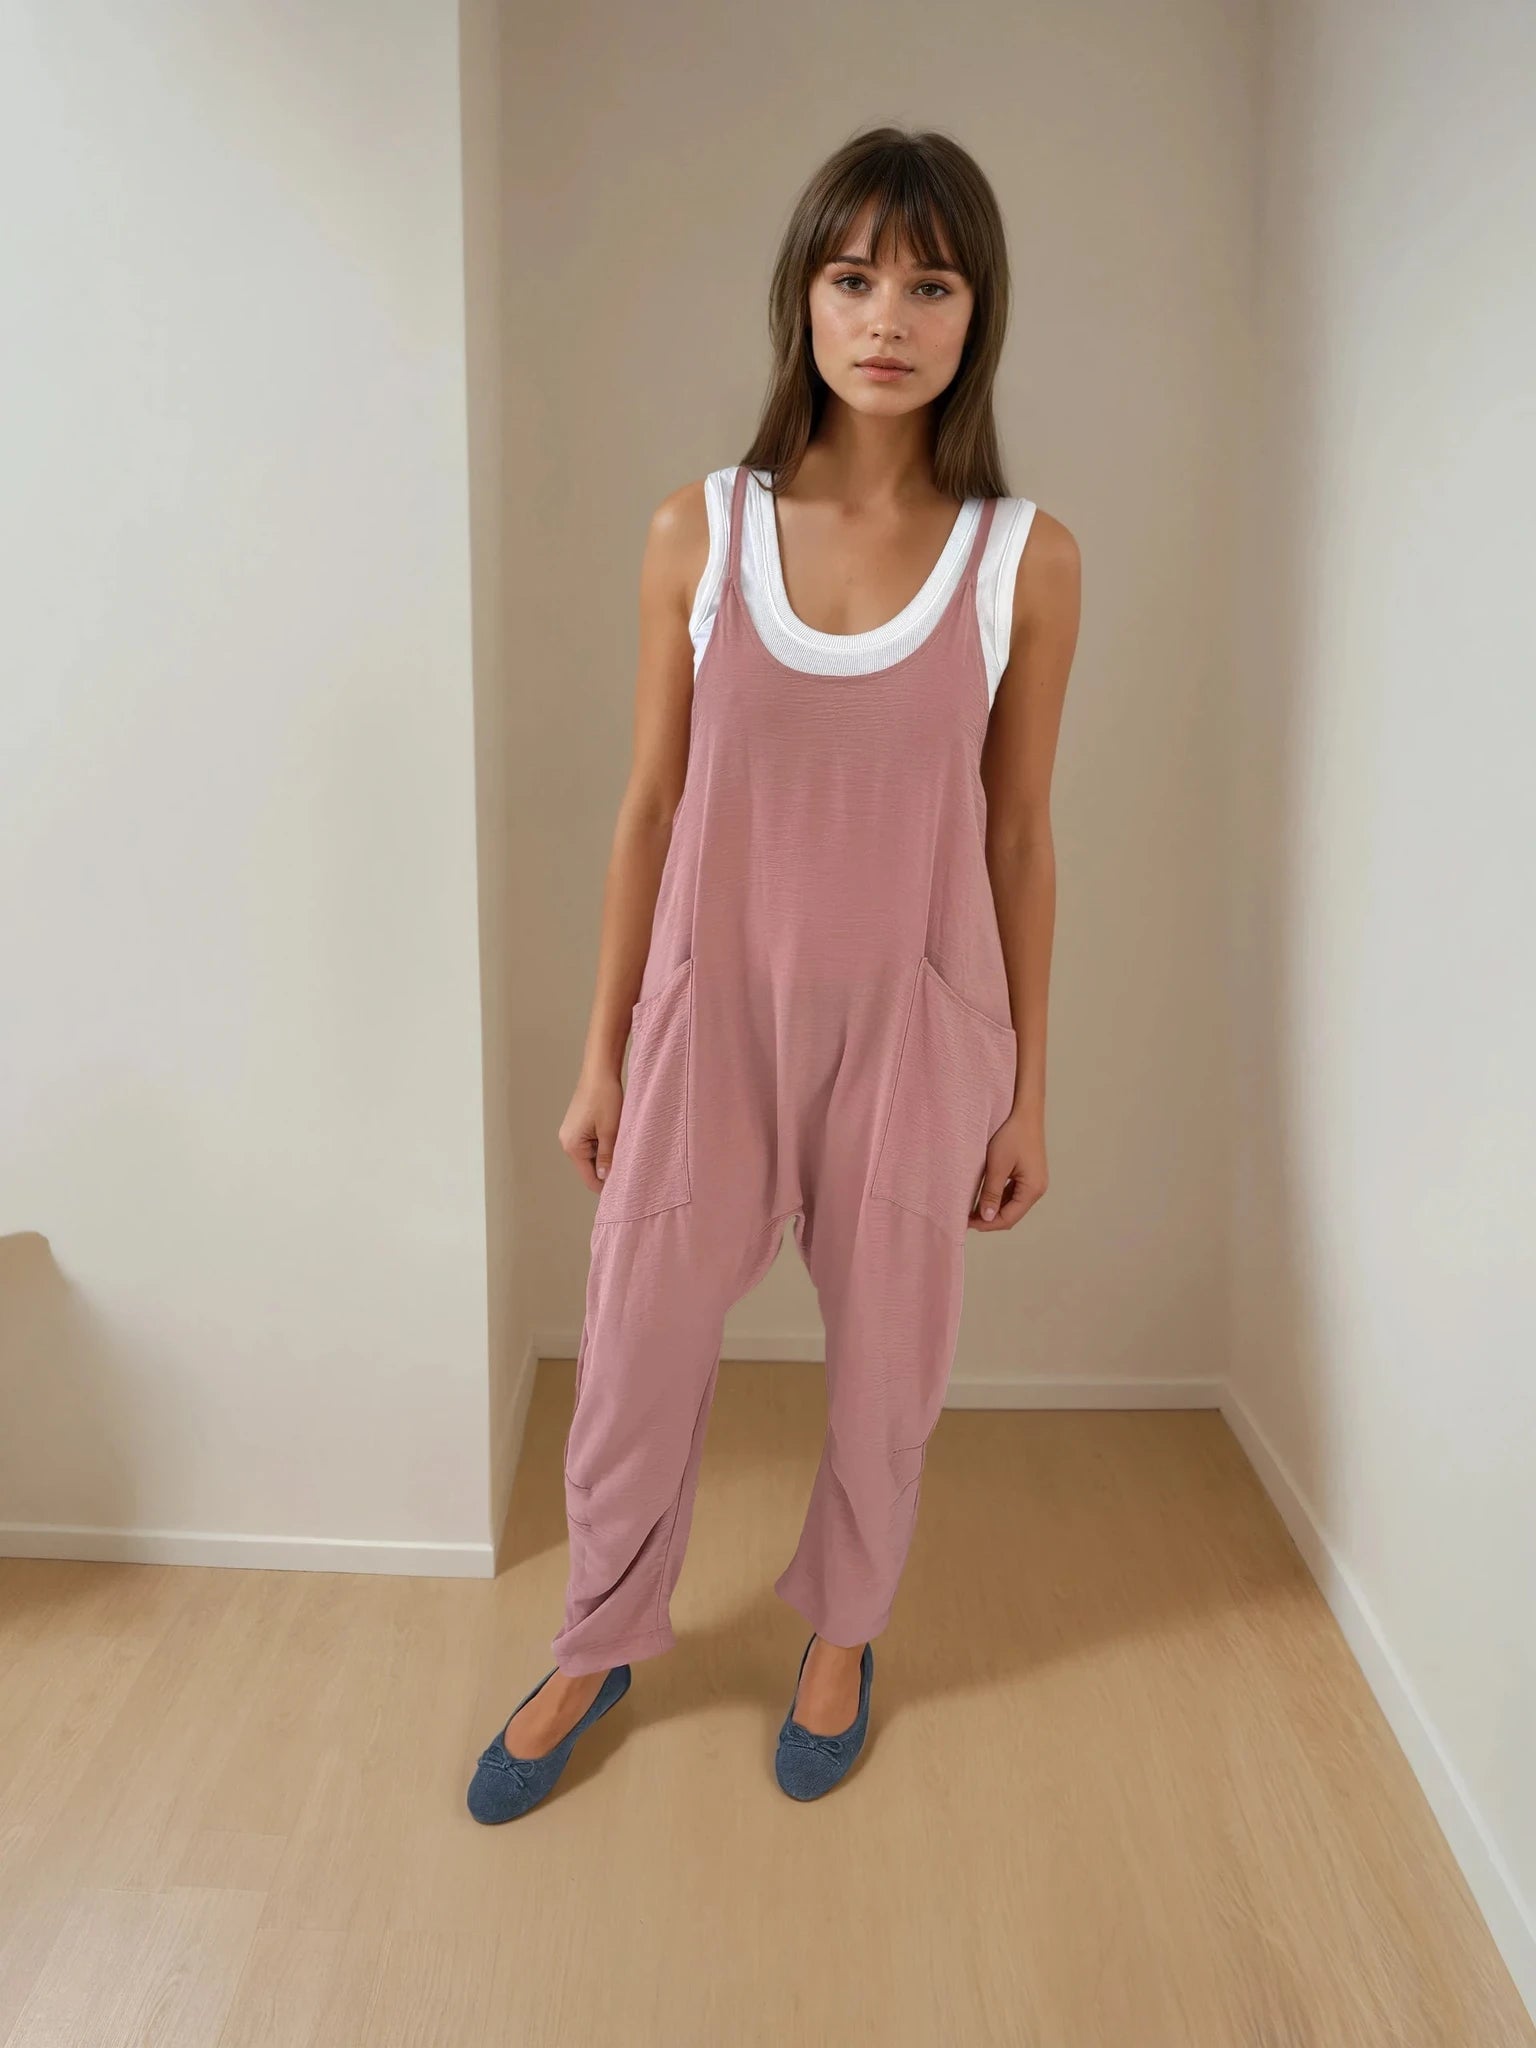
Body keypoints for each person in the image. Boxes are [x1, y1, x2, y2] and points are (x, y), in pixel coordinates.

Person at [468, 124, 1080, 1823]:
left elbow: (1020, 832)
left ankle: (843, 1636)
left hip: (915, 1028)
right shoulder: (702, 530)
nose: (889, 317)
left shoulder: (1023, 559)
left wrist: (1029, 1088)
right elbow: (648, 806)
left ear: (977, 314)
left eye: (931, 285)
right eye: (854, 276)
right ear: (802, 298)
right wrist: (605, 1051)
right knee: (635, 1352)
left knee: (889, 1374)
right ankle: (596, 1643)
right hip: (711, 1016)